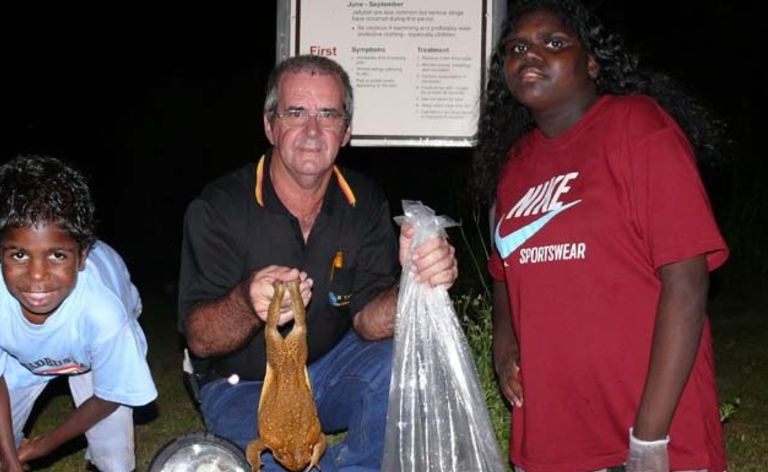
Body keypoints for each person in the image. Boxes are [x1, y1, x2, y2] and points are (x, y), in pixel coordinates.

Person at [472, 1, 729, 471]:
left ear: (591, 62)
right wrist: (503, 341)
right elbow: (504, 268)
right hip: (555, 428)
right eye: (517, 47)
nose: (530, 55)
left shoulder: (639, 128)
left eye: (554, 43)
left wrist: (649, 440)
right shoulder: (513, 167)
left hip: (650, 418)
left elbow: (688, 280)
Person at [178, 54, 458, 471]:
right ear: (270, 125)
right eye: (296, 112)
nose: (312, 131)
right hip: (244, 385)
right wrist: (245, 302)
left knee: (406, 361)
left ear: (345, 132)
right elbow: (199, 339)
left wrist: (415, 281)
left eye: (328, 114)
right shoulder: (219, 208)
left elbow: (368, 322)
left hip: (327, 372)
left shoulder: (363, 201)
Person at [0, 155, 157, 472]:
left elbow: (109, 395)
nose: (37, 276)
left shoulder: (104, 312)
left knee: (115, 463)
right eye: (19, 254)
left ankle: (97, 458)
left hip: (89, 353)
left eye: (57, 255)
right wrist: (10, 460)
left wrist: (44, 446)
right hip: (23, 359)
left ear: (81, 257)